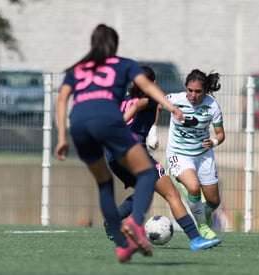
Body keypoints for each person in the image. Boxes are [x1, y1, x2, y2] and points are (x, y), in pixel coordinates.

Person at [54, 23, 183, 263]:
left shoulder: (78, 69)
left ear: (92, 43)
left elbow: (62, 99)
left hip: (79, 123)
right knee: (147, 174)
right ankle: (134, 222)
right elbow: (147, 86)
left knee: (104, 183)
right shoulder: (123, 64)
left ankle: (122, 244)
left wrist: (62, 136)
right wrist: (170, 106)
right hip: (107, 120)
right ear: (115, 44)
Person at [104, 66, 221, 250]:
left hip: (112, 154)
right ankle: (196, 238)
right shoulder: (149, 96)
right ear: (154, 84)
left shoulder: (125, 95)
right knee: (171, 193)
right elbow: (138, 107)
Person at [164, 69, 225, 240]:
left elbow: (220, 134)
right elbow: (158, 105)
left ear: (205, 91)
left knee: (214, 201)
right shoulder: (175, 100)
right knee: (193, 187)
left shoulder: (212, 106)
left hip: (203, 155)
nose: (193, 95)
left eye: (198, 91)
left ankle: (203, 215)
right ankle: (202, 226)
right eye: (190, 90)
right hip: (178, 154)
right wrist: (153, 131)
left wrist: (213, 142)